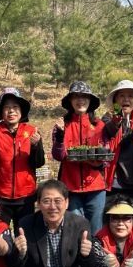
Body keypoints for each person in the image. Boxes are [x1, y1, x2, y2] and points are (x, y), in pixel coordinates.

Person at [0, 88, 45, 232]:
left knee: (24, 235)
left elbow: (38, 162)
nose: (11, 111)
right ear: (1, 112)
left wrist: (36, 146)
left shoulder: (31, 131)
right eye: (7, 107)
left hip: (25, 196)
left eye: (15, 107)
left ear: (21, 111)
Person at [52, 81, 107, 234]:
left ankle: (95, 251)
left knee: (97, 231)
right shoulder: (62, 124)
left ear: (90, 101)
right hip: (70, 187)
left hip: (96, 187)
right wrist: (60, 135)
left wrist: (96, 161)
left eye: (84, 96)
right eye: (76, 96)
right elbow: (58, 155)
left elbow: (105, 156)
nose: (80, 100)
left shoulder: (99, 125)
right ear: (70, 101)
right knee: (75, 230)